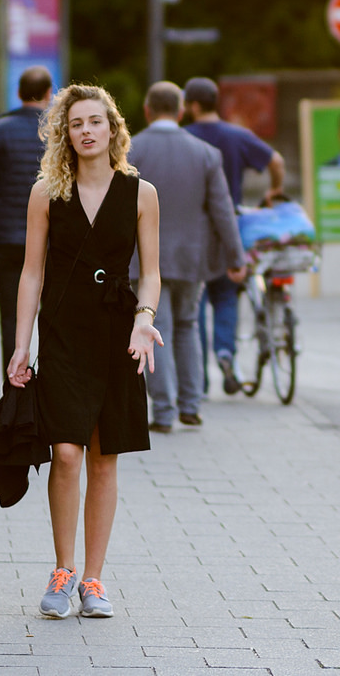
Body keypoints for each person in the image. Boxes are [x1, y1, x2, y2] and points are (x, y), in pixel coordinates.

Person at [7, 84, 162, 620]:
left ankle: (93, 580)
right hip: (65, 334)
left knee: (103, 458)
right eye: (77, 124)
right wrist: (21, 345)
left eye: (96, 121)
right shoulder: (46, 191)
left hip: (119, 334)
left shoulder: (141, 193)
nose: (87, 131)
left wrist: (145, 321)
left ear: (113, 128)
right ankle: (63, 568)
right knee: (66, 453)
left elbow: (154, 272)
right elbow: (32, 272)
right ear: (63, 133)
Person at [128, 81, 241, 431]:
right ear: (180, 111)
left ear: (147, 111)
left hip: (144, 260)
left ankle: (162, 411)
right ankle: (191, 404)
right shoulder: (206, 153)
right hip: (192, 259)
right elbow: (222, 210)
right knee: (188, 326)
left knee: (153, 328)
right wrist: (236, 256)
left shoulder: (131, 150)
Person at [180, 77, 281, 395]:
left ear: (192, 106)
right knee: (226, 296)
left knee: (195, 304)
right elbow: (275, 160)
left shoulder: (185, 139)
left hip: (194, 233)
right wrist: (274, 190)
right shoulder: (237, 136)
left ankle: (198, 376)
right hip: (230, 231)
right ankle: (226, 354)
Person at [0, 67, 53, 384]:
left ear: (18, 93)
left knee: (11, 316)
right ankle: (49, 383)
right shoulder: (56, 132)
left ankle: (13, 385)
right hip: (50, 239)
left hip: (5, 237)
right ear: (49, 94)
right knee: (52, 314)